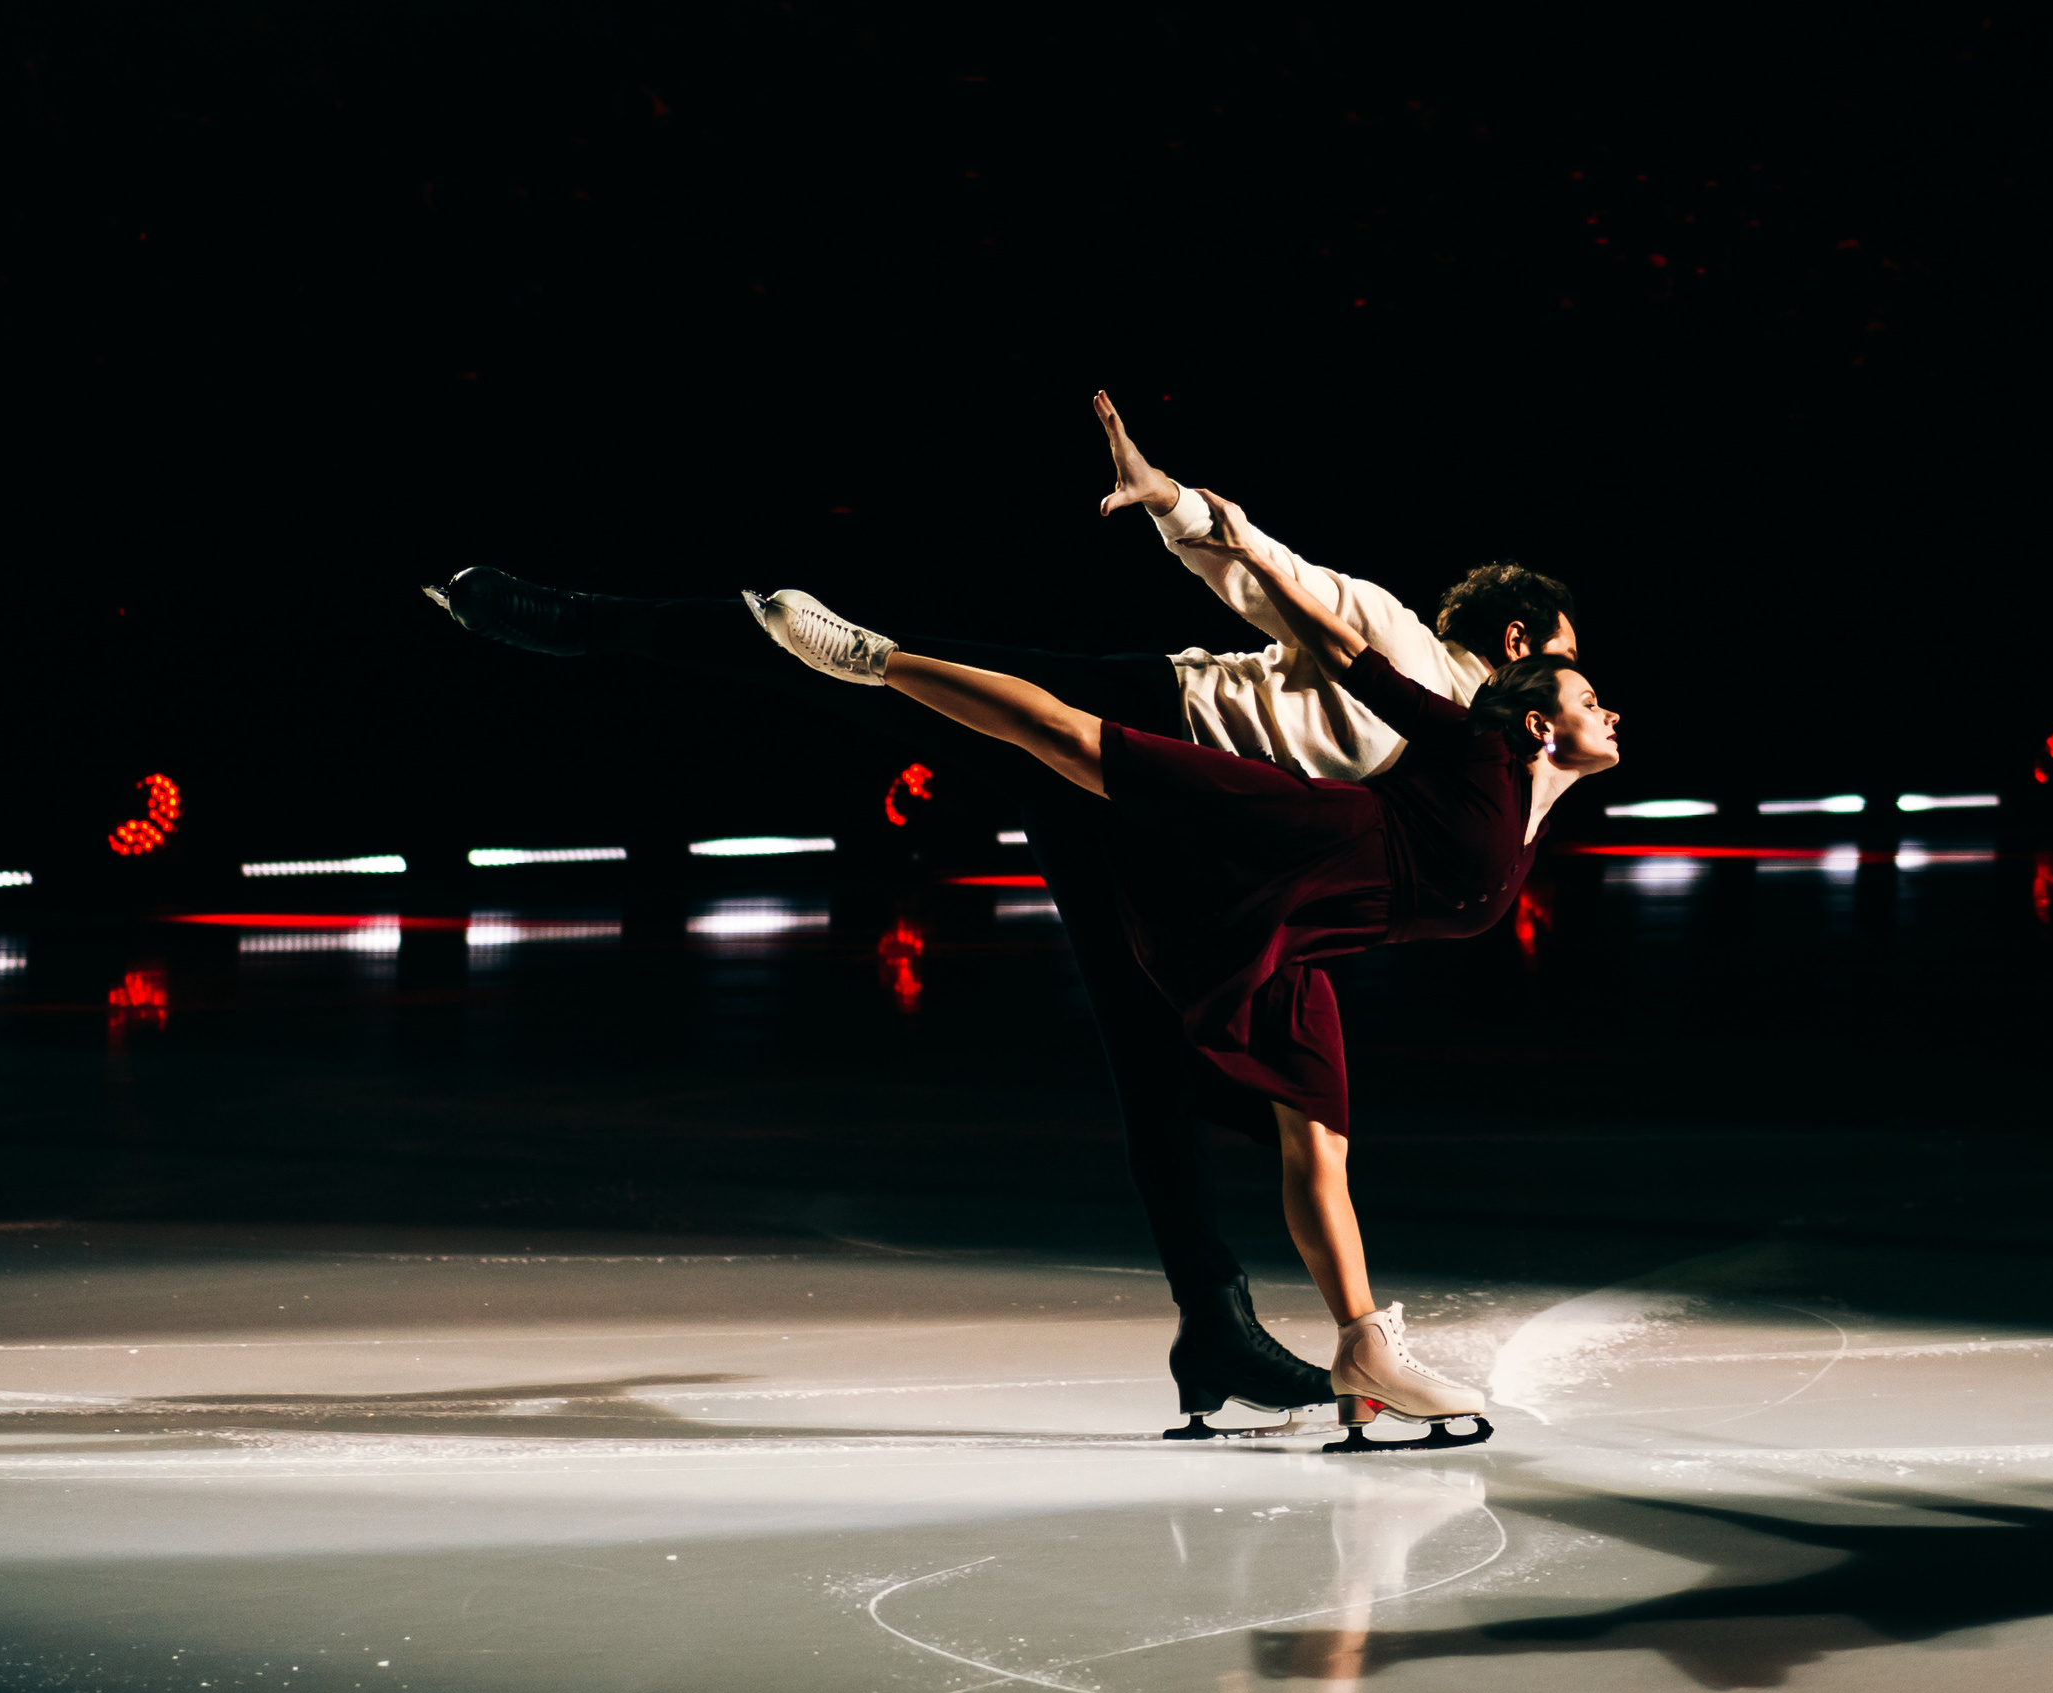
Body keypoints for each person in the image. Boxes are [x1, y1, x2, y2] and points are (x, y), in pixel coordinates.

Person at [423, 393, 1579, 1435]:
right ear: (1518, 642)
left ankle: (1211, 1322)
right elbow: (1280, 580)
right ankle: (577, 617)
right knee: (852, 663)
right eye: (1568, 661)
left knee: (1150, 1060)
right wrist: (1176, 502)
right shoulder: (1413, 648)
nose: (1572, 686)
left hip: (1182, 845)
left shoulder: (1485, 748)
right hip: (1147, 726)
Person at [743, 484, 1621, 1446]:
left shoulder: (1530, 820)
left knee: (1320, 1138)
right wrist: (1224, 528)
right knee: (1073, 740)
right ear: (1538, 711)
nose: (1607, 704)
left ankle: (1364, 1349)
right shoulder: (1471, 744)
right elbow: (1340, 646)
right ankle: (870, 657)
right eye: (1585, 690)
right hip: (1285, 835)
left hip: (1303, 940)